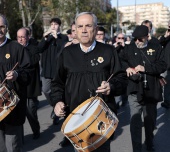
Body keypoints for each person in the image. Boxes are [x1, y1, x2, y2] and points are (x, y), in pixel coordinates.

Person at [50, 12, 127, 152]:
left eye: (88, 26)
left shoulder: (108, 51)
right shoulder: (67, 53)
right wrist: (57, 101)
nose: (84, 30)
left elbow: (122, 79)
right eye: (80, 26)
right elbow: (57, 83)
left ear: (96, 29)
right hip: (76, 120)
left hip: (101, 120)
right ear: (75, 29)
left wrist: (111, 86)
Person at [120, 25, 166, 152]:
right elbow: (120, 60)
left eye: (140, 39)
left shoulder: (156, 48)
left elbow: (162, 65)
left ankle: (149, 143)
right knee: (135, 122)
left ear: (147, 36)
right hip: (134, 90)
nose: (137, 42)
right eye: (135, 39)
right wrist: (127, 68)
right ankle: (137, 148)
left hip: (151, 91)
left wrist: (146, 69)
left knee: (150, 121)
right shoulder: (129, 48)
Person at [0, 14, 31, 151]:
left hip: (12, 107)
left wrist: (17, 75)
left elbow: (29, 73)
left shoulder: (17, 48)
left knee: (12, 146)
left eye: (1, 26)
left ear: (6, 28)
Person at [38, 17, 68, 125]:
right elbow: (39, 49)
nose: (53, 26)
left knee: (60, 91)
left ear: (59, 26)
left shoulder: (63, 37)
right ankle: (55, 106)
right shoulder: (47, 38)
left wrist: (57, 37)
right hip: (46, 70)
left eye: (55, 24)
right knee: (46, 90)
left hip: (57, 71)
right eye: (52, 24)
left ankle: (59, 111)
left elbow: (63, 48)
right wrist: (45, 39)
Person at [17, 27, 41, 139]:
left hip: (30, 87)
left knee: (31, 112)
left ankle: (36, 131)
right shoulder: (14, 48)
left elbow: (33, 62)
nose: (21, 40)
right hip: (17, 87)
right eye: (19, 37)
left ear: (28, 37)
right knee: (18, 114)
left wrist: (23, 52)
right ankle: (19, 137)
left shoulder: (33, 49)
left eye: (23, 37)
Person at [113, 33, 128, 107]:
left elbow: (129, 57)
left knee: (124, 88)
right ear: (116, 39)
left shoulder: (126, 48)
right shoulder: (112, 47)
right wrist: (116, 47)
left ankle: (124, 100)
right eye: (119, 38)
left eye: (122, 38)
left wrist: (124, 47)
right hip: (115, 71)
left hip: (125, 70)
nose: (120, 40)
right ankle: (117, 102)